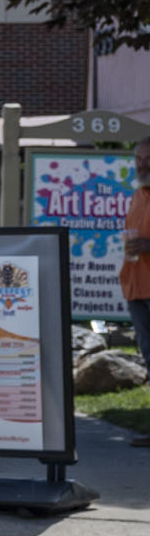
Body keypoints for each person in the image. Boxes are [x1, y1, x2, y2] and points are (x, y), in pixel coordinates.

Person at [124, 139, 150, 366]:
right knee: (147, 351)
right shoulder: (137, 196)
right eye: (138, 159)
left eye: (148, 159)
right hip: (137, 287)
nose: (142, 164)